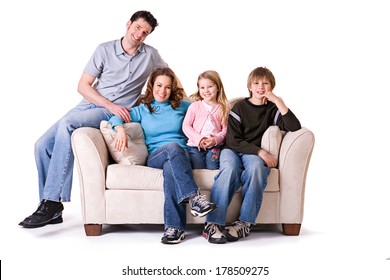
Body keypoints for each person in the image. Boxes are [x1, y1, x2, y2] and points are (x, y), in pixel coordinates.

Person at [19, 11, 169, 228]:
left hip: (113, 113)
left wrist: (185, 100)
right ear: (128, 24)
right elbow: (82, 86)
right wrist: (109, 103)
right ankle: (53, 210)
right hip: (92, 104)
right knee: (41, 146)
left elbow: (168, 76)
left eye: (145, 32)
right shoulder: (104, 49)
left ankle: (51, 200)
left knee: (68, 125)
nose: (139, 35)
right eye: (137, 28)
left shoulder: (151, 55)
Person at [110, 67, 217, 244]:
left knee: (171, 168)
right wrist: (120, 130)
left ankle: (175, 229)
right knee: (172, 148)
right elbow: (115, 117)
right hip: (156, 157)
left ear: (172, 89)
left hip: (183, 156)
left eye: (168, 87)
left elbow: (206, 112)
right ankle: (194, 198)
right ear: (152, 86)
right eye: (159, 85)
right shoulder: (144, 109)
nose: (163, 91)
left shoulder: (184, 106)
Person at [203, 67, 302, 244]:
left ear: (272, 86)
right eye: (256, 83)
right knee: (230, 170)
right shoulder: (239, 107)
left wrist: (278, 102)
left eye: (265, 83)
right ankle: (213, 224)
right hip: (232, 150)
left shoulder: (272, 109)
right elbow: (233, 140)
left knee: (257, 168)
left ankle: (244, 223)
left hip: (252, 154)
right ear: (249, 86)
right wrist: (261, 152)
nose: (261, 87)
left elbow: (294, 127)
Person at [182, 70, 229, 170]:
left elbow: (225, 130)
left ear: (218, 88)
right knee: (197, 167)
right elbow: (186, 126)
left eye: (210, 86)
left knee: (212, 166)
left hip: (214, 146)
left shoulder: (223, 108)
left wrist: (215, 140)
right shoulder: (194, 106)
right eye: (202, 87)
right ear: (198, 89)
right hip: (195, 145)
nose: (206, 90)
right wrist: (199, 139)